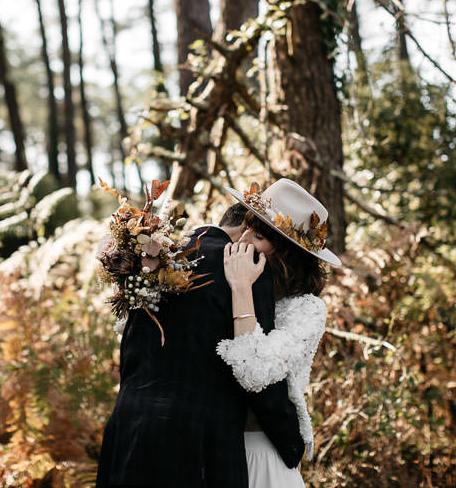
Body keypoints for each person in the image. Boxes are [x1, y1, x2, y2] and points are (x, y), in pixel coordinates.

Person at [96, 199, 307, 487]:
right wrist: (291, 441)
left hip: (126, 431)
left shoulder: (150, 259)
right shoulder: (247, 270)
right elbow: (258, 374)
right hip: (196, 445)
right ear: (245, 227)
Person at [216, 178, 341, 487]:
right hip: (213, 452)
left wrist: (242, 286)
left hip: (262, 456)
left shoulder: (307, 310)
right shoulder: (223, 285)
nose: (242, 241)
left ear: (288, 255)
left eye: (257, 236)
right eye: (245, 228)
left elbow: (254, 372)